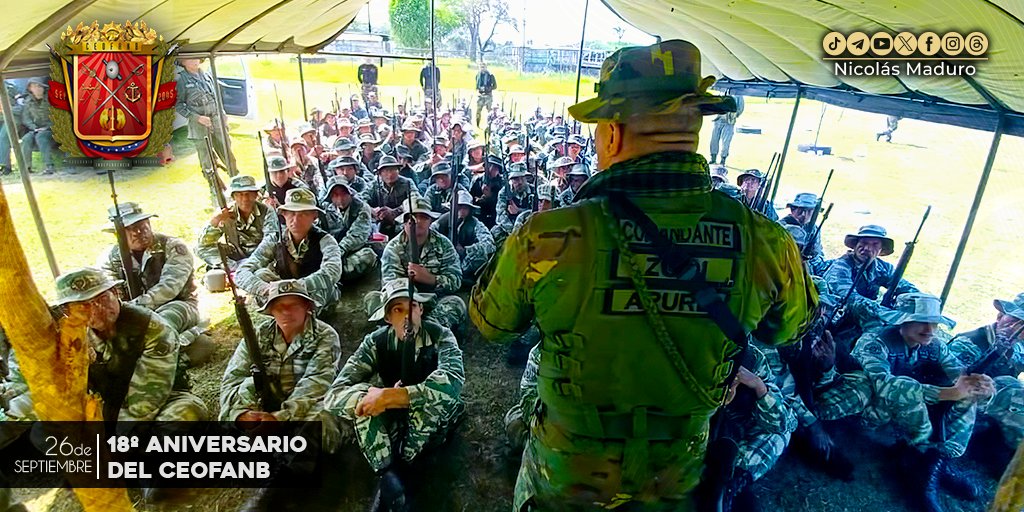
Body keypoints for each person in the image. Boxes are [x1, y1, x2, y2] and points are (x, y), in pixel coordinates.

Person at [469, 40, 816, 511]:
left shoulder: (548, 236)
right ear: (695, 127)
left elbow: (491, 321)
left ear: (612, 133)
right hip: (675, 475)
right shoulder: (767, 241)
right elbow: (790, 328)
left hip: (567, 475)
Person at [325, 278, 464, 512]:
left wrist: (394, 396)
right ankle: (387, 474)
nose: (407, 316)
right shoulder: (376, 341)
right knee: (365, 403)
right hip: (391, 416)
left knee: (433, 400)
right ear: (388, 317)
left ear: (421, 309)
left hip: (430, 418)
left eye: (412, 306)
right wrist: (372, 396)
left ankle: (407, 468)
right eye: (398, 310)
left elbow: (453, 382)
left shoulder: (440, 335)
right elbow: (333, 396)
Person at [5, 267, 208, 423]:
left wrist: (114, 443)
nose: (97, 310)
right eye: (83, 306)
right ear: (68, 311)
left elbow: (146, 401)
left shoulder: (152, 329)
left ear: (116, 293)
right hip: (99, 404)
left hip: (156, 400)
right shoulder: (64, 333)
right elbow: (29, 374)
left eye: (102, 299)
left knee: (185, 414)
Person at [851, 293, 992, 512]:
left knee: (966, 397)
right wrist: (947, 393)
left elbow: (958, 372)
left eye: (934, 323)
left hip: (909, 413)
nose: (930, 330)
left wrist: (978, 387)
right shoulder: (874, 343)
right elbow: (884, 386)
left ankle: (934, 463)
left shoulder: (934, 345)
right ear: (902, 320)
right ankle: (920, 474)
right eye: (921, 322)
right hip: (873, 411)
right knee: (909, 392)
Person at [219, 279, 341, 446]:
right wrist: (242, 414)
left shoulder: (325, 336)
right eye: (278, 307)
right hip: (265, 405)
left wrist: (279, 419)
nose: (286, 312)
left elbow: (316, 385)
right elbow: (233, 379)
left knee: (320, 422)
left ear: (307, 307)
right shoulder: (259, 335)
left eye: (293, 305)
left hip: (305, 406)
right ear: (270, 311)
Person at [98, 202, 213, 366]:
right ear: (117, 234)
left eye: (141, 225)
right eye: (129, 229)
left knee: (162, 322)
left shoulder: (173, 247)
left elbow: (169, 288)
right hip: (132, 313)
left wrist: (134, 308)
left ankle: (157, 359)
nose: (138, 232)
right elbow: (110, 294)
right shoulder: (110, 259)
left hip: (179, 305)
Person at [236, 188, 343, 311]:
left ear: (314, 216)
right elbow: (242, 272)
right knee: (261, 274)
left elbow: (332, 271)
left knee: (323, 286)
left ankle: (303, 314)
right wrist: (266, 289)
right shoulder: (275, 239)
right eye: (291, 213)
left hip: (312, 292)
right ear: (284, 214)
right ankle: (283, 311)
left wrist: (296, 287)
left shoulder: (325, 240)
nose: (296, 220)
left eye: (303, 214)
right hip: (284, 292)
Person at [373, 197, 466, 331]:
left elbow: (455, 280)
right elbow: (391, 284)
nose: (417, 221)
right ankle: (417, 329)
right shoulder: (393, 248)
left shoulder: (444, 244)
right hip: (403, 302)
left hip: (434, 300)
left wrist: (431, 279)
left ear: (430, 221)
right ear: (403, 221)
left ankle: (422, 330)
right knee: (373, 300)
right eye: (411, 217)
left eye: (423, 217)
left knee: (456, 303)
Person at [949, 293, 1024, 455]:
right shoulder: (969, 344)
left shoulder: (1016, 346)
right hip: (965, 413)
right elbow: (952, 385)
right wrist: (995, 352)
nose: (1017, 328)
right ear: (1000, 316)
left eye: (1023, 325)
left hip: (994, 410)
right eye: (1014, 320)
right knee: (1010, 387)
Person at [196, 175, 279, 272]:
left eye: (248, 193)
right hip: (237, 257)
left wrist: (250, 264)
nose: (245, 198)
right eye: (239, 194)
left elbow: (270, 241)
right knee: (200, 249)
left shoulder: (266, 211)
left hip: (261, 258)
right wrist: (215, 222)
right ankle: (232, 269)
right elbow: (204, 244)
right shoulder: (226, 212)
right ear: (233, 197)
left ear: (256, 195)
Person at [822, 224, 919, 307]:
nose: (867, 248)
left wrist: (920, 299)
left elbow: (904, 286)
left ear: (881, 249)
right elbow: (847, 297)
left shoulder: (884, 268)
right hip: (837, 313)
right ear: (855, 245)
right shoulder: (841, 266)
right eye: (864, 243)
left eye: (875, 244)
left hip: (866, 312)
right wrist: (882, 311)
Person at [176, 58, 236, 176]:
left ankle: (235, 178)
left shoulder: (207, 76)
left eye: (197, 58)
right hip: (199, 125)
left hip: (216, 120)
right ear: (183, 63)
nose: (194, 61)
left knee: (227, 152)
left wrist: (222, 113)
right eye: (190, 60)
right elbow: (178, 104)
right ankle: (213, 183)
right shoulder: (181, 80)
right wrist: (197, 118)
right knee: (206, 158)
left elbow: (216, 97)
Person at [318, 176, 377, 282]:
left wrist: (337, 253)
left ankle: (332, 276)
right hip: (328, 252)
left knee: (368, 256)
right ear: (330, 197)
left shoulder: (361, 207)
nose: (340, 198)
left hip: (351, 251)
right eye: (335, 195)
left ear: (350, 193)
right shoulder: (324, 210)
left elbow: (357, 235)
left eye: (343, 194)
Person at [432, 190, 496, 284]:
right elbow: (429, 233)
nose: (462, 210)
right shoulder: (442, 221)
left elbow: (490, 244)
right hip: (444, 258)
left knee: (481, 258)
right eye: (459, 206)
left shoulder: (475, 224)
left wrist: (466, 250)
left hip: (464, 262)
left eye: (465, 207)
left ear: (470, 209)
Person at [365, 155, 421, 239]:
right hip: (379, 220)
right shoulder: (374, 185)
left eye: (393, 170)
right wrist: (372, 210)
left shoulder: (407, 183)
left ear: (398, 171)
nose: (390, 174)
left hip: (401, 220)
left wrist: (396, 211)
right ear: (380, 173)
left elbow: (416, 199)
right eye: (386, 171)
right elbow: (361, 199)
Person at [490, 162, 534, 247]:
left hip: (529, 226)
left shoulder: (533, 190)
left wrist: (519, 211)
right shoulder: (504, 192)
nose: (520, 182)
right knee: (495, 233)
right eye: (516, 179)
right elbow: (500, 216)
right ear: (511, 180)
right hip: (509, 228)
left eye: (522, 178)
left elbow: (537, 212)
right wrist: (514, 232)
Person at [780, 192, 826, 269]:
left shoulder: (814, 229)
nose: (804, 214)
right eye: (800, 210)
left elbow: (817, 253)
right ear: (792, 210)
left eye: (809, 211)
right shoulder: (781, 226)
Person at [20, 78, 56, 175]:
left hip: (52, 129)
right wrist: (34, 127)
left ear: (44, 88)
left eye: (39, 86)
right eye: (34, 86)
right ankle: (26, 168)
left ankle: (49, 166)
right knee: (26, 139)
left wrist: (47, 127)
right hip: (36, 129)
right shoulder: (28, 102)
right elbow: (26, 118)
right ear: (30, 89)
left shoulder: (51, 99)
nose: (37, 89)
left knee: (41, 136)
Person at [709, 94, 744, 165]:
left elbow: (740, 108)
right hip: (718, 120)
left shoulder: (738, 95)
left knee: (726, 141)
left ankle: (723, 159)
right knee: (714, 139)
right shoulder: (722, 92)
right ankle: (713, 158)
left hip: (729, 122)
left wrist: (734, 115)